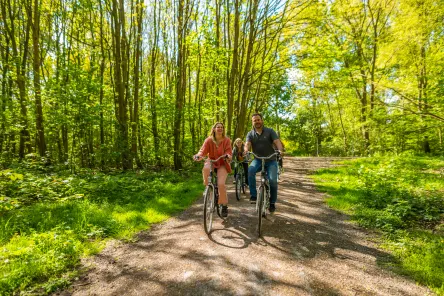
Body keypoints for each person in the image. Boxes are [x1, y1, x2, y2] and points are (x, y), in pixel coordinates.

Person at [244, 113, 283, 213]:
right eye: (254, 120)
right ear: (252, 122)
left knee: (273, 181)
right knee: (250, 170)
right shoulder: (250, 134)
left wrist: (280, 150)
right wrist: (246, 150)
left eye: (258, 120)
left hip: (271, 160)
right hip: (257, 159)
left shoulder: (270, 131)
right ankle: (253, 196)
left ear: (262, 120)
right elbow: (247, 144)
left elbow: (277, 141)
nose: (257, 122)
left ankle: (272, 202)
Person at [194, 122, 232, 217]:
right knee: (206, 168)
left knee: (221, 184)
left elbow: (228, 151)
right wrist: (198, 156)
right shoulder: (209, 140)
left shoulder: (226, 140)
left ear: (223, 129)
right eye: (218, 127)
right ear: (214, 129)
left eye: (221, 127)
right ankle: (208, 186)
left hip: (222, 163)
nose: (220, 128)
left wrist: (228, 156)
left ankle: (224, 205)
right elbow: (202, 151)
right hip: (211, 161)